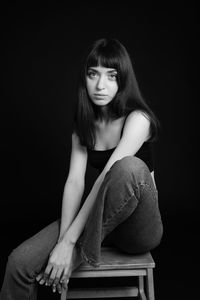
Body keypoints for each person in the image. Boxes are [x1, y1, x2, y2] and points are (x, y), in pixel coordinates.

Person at [0, 38, 163, 299]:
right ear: (84, 78)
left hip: (139, 228)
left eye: (111, 76)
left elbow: (107, 177)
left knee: (128, 167)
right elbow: (75, 183)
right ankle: (65, 254)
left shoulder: (138, 119)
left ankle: (71, 254)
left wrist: (69, 243)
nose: (100, 85)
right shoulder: (83, 126)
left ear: (123, 81)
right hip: (102, 218)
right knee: (19, 262)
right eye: (93, 74)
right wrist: (62, 240)